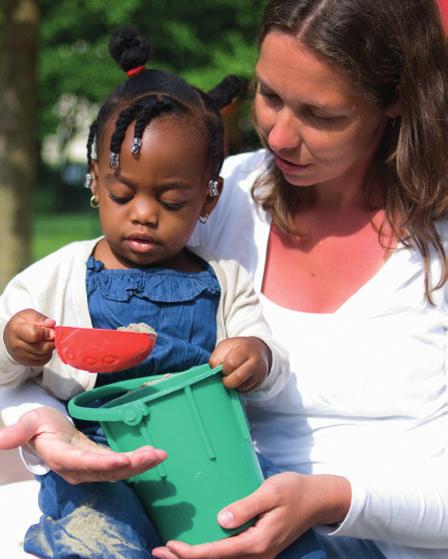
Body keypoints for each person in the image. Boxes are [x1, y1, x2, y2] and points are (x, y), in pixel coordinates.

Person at [2, 0, 448, 557]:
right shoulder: (210, 193)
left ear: (398, 100)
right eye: (269, 96)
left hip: (373, 539)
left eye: (321, 115)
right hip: (182, 503)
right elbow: (42, 349)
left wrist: (331, 499)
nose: (280, 137)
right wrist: (43, 426)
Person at [0, 26, 325, 559]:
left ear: (208, 198)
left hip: (208, 452)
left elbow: (271, 367)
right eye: (123, 194)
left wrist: (256, 359)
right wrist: (16, 344)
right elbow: (4, 367)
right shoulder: (57, 275)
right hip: (96, 460)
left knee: (278, 539)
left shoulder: (223, 279)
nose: (144, 214)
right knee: (106, 542)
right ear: (95, 182)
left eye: (173, 201)